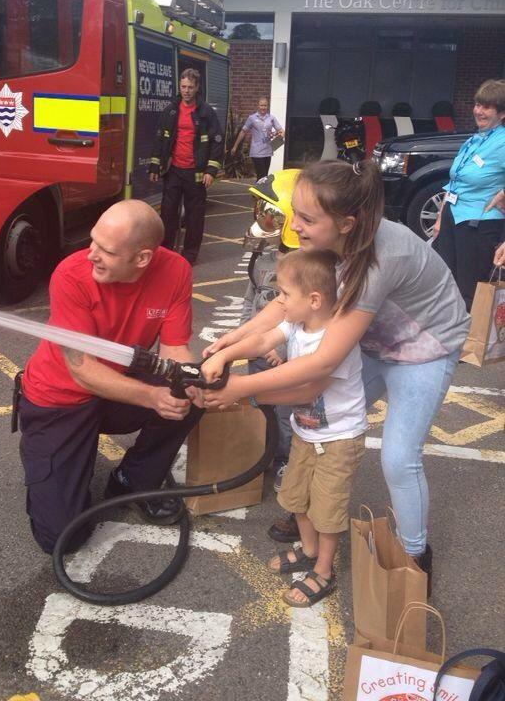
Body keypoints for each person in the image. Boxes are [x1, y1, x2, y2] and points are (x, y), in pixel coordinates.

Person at [202, 159, 470, 591]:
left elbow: (323, 363)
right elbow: (286, 303)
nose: (295, 225)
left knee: (398, 458)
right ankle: (308, 519)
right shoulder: (332, 239)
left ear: (347, 224)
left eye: (307, 219)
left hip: (425, 350)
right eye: (295, 212)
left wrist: (241, 387)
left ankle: (415, 555)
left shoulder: (384, 258)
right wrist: (231, 340)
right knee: (318, 418)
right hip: (375, 342)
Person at [17, 199, 204, 554]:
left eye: (107, 250)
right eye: (93, 241)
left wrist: (188, 383)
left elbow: (175, 348)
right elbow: (82, 370)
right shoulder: (70, 275)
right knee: (62, 538)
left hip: (114, 386)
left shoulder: (176, 270)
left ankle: (133, 479)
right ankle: (57, 459)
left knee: (190, 395)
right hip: (60, 400)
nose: (91, 254)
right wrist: (152, 397)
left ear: (142, 258)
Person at [204, 249, 367, 608]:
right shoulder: (297, 323)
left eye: (284, 294)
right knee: (297, 498)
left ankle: (323, 571)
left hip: (338, 440)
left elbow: (306, 390)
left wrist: (248, 395)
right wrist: (225, 353)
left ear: (314, 300)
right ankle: (308, 550)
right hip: (306, 433)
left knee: (327, 511)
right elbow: (263, 340)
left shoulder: (335, 341)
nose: (278, 302)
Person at [241, 170, 301, 493]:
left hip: (286, 359)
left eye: (269, 213)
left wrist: (281, 351)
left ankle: (283, 460)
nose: (261, 217)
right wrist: (243, 336)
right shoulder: (262, 258)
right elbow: (249, 300)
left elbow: (306, 323)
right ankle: (260, 455)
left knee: (285, 414)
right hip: (258, 352)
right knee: (258, 406)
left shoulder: (306, 270)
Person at [432, 79, 505, 310]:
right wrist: (441, 217)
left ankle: (474, 331)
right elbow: (455, 182)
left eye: (487, 107)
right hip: (453, 218)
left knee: (471, 290)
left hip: (480, 224)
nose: (478, 111)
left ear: (502, 113)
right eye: (477, 104)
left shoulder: (502, 141)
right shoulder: (475, 139)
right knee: (447, 283)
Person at [149, 68, 224, 265]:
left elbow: (217, 141)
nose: (186, 91)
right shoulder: (171, 110)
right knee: (167, 214)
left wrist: (211, 170)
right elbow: (160, 138)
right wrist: (155, 166)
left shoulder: (206, 112)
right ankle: (166, 252)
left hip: (196, 174)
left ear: (197, 87)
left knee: (194, 217)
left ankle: (189, 256)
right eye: (183, 86)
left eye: (190, 87)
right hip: (173, 171)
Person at [231, 97, 285, 180]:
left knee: (264, 176)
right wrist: (235, 146)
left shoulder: (271, 118)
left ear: (267, 106)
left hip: (267, 151)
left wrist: (279, 135)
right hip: (256, 151)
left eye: (265, 105)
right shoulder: (252, 118)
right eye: (261, 105)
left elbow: (281, 130)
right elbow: (243, 132)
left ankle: (258, 188)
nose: (263, 107)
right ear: (258, 106)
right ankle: (258, 188)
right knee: (261, 175)